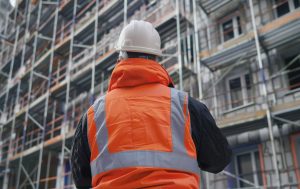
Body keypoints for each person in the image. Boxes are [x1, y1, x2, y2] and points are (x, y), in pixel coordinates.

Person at [71, 20, 231, 189]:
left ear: (120, 58)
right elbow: (219, 159)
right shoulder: (186, 106)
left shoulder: (93, 115)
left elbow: (81, 179)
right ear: (156, 59)